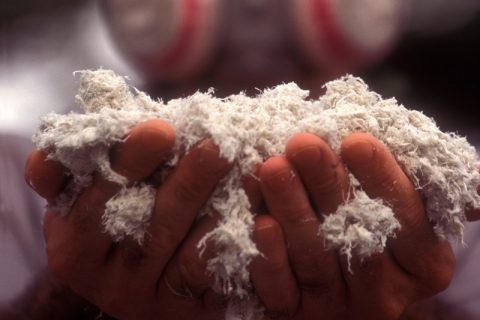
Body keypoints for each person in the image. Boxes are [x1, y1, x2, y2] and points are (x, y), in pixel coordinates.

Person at [2, 0, 480, 319]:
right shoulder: (15, 176)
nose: (253, 8)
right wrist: (72, 301)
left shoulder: (451, 189)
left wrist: (411, 308)